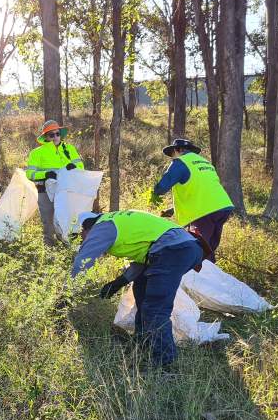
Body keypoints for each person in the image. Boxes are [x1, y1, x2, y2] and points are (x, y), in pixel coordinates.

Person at [73, 209, 203, 368]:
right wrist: (119, 282)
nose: (82, 242)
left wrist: (66, 294)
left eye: (81, 238)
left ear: (85, 229)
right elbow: (146, 255)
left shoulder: (102, 227)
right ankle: (143, 343)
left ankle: (164, 364)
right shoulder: (115, 220)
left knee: (155, 309)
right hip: (177, 247)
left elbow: (83, 261)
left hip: (173, 250)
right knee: (140, 289)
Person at [152, 138, 233, 261]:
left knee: (198, 249)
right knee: (208, 248)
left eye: (172, 154)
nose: (172, 158)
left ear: (178, 150)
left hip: (204, 212)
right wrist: (173, 209)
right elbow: (201, 191)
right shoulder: (205, 163)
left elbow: (162, 187)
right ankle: (209, 276)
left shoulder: (180, 162)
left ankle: (197, 277)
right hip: (223, 208)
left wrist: (154, 193)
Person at [25, 119, 85, 246]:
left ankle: (69, 246)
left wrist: (73, 167)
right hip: (45, 191)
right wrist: (45, 175)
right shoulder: (36, 153)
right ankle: (49, 249)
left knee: (68, 219)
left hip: (67, 191)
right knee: (48, 221)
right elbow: (30, 174)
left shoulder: (69, 149)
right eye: (51, 135)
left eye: (57, 134)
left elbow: (80, 167)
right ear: (46, 137)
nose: (55, 137)